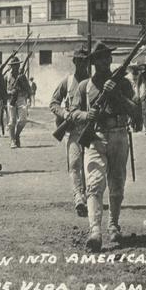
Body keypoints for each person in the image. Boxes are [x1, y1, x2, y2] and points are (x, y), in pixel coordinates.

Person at [69, 41, 139, 252]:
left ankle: (114, 225)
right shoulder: (85, 86)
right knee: (94, 183)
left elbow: (136, 111)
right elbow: (73, 112)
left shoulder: (124, 84)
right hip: (95, 137)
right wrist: (86, 115)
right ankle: (95, 231)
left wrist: (117, 94)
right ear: (93, 62)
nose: (103, 61)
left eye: (106, 57)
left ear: (110, 60)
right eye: (98, 58)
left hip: (118, 134)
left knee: (117, 183)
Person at [49, 46, 90, 217]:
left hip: (90, 129)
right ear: (74, 62)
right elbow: (53, 103)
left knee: (89, 166)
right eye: (79, 60)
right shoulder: (68, 81)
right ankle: (78, 196)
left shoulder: (93, 81)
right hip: (73, 129)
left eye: (85, 61)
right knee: (74, 164)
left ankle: (89, 196)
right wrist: (64, 113)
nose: (82, 64)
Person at [5, 56, 31, 148]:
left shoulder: (22, 76)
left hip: (20, 98)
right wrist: (9, 92)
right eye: (13, 65)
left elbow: (29, 90)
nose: (15, 67)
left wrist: (22, 82)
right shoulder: (7, 76)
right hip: (11, 99)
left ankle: (17, 135)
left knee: (23, 120)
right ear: (11, 66)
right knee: (12, 122)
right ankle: (12, 140)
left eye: (17, 65)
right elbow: (3, 90)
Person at [125, 65, 142, 133]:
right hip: (130, 95)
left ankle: (137, 126)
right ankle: (131, 125)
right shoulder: (127, 77)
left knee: (138, 111)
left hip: (138, 95)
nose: (135, 70)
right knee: (130, 111)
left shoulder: (139, 76)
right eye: (134, 69)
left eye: (136, 69)